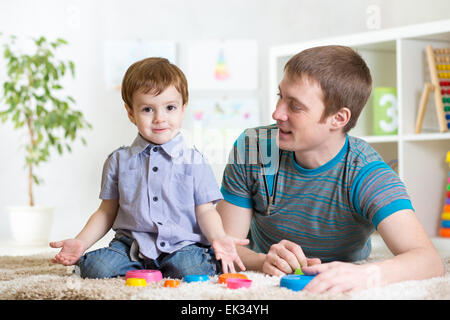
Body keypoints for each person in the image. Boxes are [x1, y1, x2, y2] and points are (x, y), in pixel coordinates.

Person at [217, 45, 444, 293]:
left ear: (338, 118)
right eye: (280, 96)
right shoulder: (253, 147)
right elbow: (225, 246)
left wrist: (365, 275)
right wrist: (262, 261)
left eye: (295, 106)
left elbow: (429, 260)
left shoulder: (365, 173)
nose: (277, 112)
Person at [50, 57, 248, 279]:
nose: (160, 118)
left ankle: (194, 261)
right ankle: (141, 267)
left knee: (191, 270)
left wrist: (218, 237)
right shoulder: (118, 160)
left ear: (183, 109)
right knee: (96, 269)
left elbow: (206, 210)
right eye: (147, 109)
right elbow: (106, 211)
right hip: (131, 246)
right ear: (131, 113)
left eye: (170, 107)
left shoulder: (195, 161)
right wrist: (81, 241)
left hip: (181, 245)